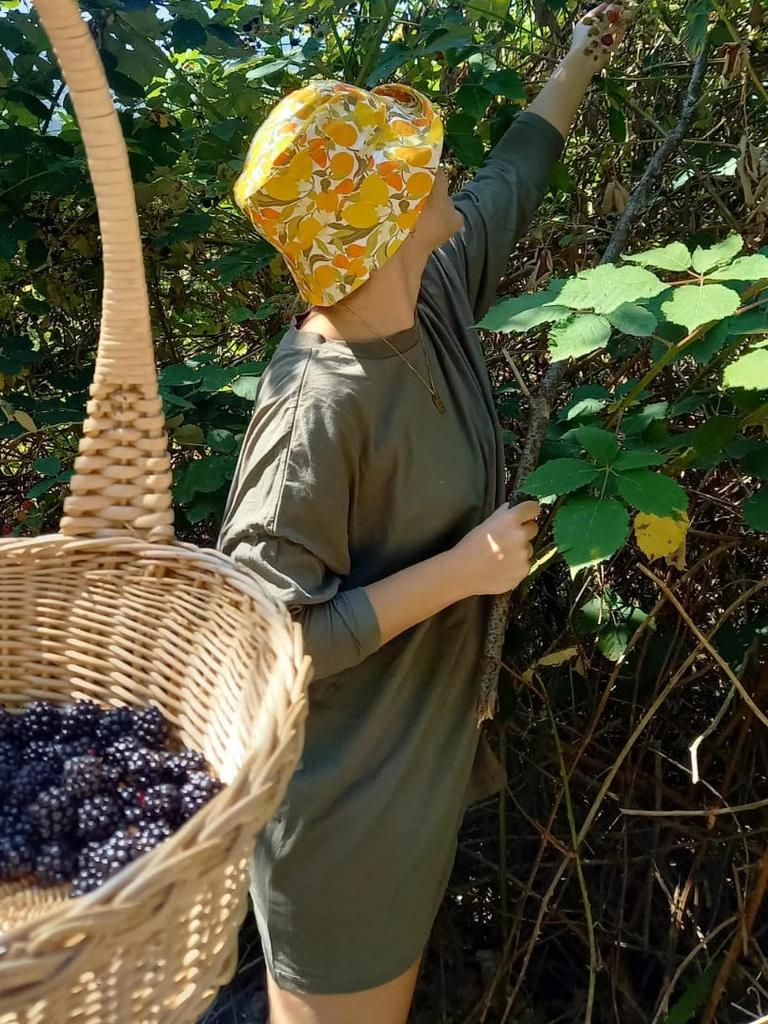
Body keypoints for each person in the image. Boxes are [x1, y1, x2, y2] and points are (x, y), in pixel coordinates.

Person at [218, 6, 630, 1022]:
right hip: (340, 816)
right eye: (420, 164)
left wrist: (581, 55)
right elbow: (265, 640)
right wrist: (462, 570)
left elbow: (516, 175)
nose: (446, 168)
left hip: (414, 779)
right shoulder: (316, 403)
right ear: (392, 213)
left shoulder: (428, 292)